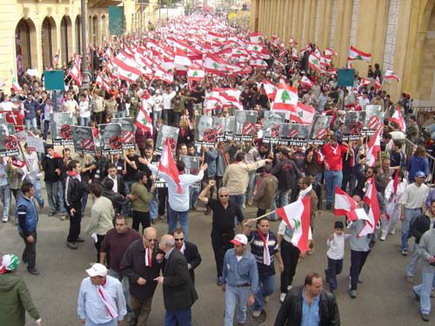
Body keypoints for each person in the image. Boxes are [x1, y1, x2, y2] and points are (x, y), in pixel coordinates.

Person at [140, 156, 207, 240]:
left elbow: (158, 171)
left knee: (172, 224)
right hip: (184, 206)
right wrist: (202, 170)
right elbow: (199, 177)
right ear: (184, 168)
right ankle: (184, 242)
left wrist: (147, 163)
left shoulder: (170, 177)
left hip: (173, 206)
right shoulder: (188, 177)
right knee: (184, 224)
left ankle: (171, 240)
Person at [198, 180, 244, 285]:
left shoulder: (234, 206)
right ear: (218, 196)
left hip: (230, 235)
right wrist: (209, 186)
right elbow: (200, 197)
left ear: (229, 195)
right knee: (219, 256)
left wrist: (244, 233)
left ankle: (230, 274)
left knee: (230, 255)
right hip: (217, 235)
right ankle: (220, 275)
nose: (223, 198)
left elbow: (241, 219)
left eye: (225, 195)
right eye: (221, 196)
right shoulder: (214, 203)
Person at [100, 215, 141, 319]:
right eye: (116, 224)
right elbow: (103, 249)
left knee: (126, 292)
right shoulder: (110, 234)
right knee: (111, 291)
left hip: (128, 270)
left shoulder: (135, 236)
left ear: (127, 225)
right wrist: (101, 265)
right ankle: (112, 310)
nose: (118, 227)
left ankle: (129, 312)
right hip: (114, 268)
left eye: (121, 225)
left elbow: (140, 251)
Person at [121, 227, 163, 326]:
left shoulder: (159, 248)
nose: (153, 242)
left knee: (146, 308)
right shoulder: (134, 248)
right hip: (136, 287)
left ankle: (141, 323)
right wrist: (136, 278)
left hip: (150, 286)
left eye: (155, 239)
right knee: (135, 307)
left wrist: (159, 261)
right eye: (150, 240)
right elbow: (124, 266)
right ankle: (135, 318)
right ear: (143, 237)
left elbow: (165, 265)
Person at [243, 217, 283, 318]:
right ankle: (258, 307)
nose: (265, 228)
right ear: (258, 226)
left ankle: (264, 294)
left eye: (267, 226)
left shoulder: (273, 237)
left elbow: (276, 251)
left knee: (270, 289)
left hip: (269, 269)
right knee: (256, 289)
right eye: (263, 226)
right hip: (256, 268)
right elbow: (244, 236)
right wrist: (248, 225)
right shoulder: (254, 235)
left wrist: (281, 263)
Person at [154, 234, 198, 326]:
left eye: (161, 241)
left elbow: (182, 278)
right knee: (169, 322)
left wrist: (165, 280)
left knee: (184, 323)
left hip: (181, 301)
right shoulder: (169, 255)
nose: (158, 243)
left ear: (165, 245)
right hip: (173, 300)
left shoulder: (177, 258)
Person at [274, 272, 340, 326]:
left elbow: (335, 322)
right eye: (317, 287)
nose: (321, 289)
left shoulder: (329, 299)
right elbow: (281, 317)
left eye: (321, 285)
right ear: (308, 287)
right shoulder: (292, 296)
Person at [221, 234, 258, 326]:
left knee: (242, 308)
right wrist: (223, 282)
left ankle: (241, 321)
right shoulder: (228, 254)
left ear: (244, 246)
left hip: (244, 288)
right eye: (234, 245)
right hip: (231, 287)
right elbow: (225, 269)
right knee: (229, 311)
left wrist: (253, 294)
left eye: (238, 246)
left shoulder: (250, 259)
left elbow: (254, 277)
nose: (235, 248)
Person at [0, 254, 42, 326]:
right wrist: (37, 317)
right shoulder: (18, 281)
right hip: (16, 321)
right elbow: (27, 302)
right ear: (13, 268)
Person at [348, 195, 376, 298]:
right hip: (356, 245)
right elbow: (349, 225)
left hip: (367, 244)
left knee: (361, 263)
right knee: (355, 265)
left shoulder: (369, 212)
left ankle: (354, 275)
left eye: (359, 201)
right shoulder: (351, 213)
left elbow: (376, 225)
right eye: (354, 202)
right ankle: (353, 287)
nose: (357, 203)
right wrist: (356, 214)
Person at [400, 171, 430, 256]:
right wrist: (402, 213)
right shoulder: (409, 188)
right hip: (409, 209)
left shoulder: (425, 188)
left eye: (423, 178)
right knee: (405, 230)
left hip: (418, 210)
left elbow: (424, 200)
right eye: (420, 177)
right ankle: (404, 247)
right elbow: (403, 202)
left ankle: (404, 240)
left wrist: (424, 212)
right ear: (416, 178)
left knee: (413, 230)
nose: (422, 179)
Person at [407, 199, 435, 284]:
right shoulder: (421, 217)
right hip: (419, 243)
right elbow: (413, 229)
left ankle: (431, 283)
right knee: (415, 258)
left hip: (432, 246)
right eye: (434, 207)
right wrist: (421, 237)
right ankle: (410, 273)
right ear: (430, 206)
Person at [87, 183, 115, 262]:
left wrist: (87, 231)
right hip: (110, 228)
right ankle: (110, 266)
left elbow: (94, 223)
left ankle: (99, 265)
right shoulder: (107, 200)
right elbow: (112, 213)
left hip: (101, 232)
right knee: (109, 250)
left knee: (100, 250)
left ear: (92, 194)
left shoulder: (95, 207)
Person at [16, 182, 39, 275]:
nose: (34, 191)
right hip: (27, 230)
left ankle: (25, 257)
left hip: (32, 228)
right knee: (32, 249)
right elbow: (21, 222)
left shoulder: (30, 198)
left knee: (29, 245)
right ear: (26, 192)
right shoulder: (22, 205)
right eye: (32, 190)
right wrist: (27, 235)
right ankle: (31, 267)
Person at [412, 227, 435, 322]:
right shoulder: (427, 235)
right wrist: (428, 257)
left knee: (430, 285)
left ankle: (417, 290)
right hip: (429, 265)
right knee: (427, 288)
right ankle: (425, 310)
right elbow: (420, 249)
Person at [65, 160, 88, 250]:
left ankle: (76, 236)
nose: (80, 168)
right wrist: (70, 207)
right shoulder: (69, 179)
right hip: (72, 204)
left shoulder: (78, 176)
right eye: (78, 167)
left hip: (78, 202)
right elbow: (66, 195)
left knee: (78, 221)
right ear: (73, 168)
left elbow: (84, 186)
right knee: (74, 222)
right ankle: (70, 239)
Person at [322, 135, 348, 209]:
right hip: (328, 170)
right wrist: (325, 163)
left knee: (337, 188)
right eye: (330, 141)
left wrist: (346, 144)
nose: (330, 142)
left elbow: (350, 151)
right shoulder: (326, 147)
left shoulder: (340, 147)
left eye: (332, 141)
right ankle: (329, 202)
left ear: (336, 141)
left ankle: (336, 202)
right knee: (328, 187)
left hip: (338, 171)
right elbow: (323, 156)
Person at [324, 221, 350, 292]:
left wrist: (353, 235)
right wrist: (330, 239)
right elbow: (328, 244)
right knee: (333, 273)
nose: (339, 231)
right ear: (334, 229)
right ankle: (333, 287)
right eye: (337, 229)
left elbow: (347, 236)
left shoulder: (343, 235)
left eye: (341, 230)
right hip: (332, 257)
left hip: (340, 258)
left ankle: (328, 272)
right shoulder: (333, 236)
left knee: (338, 270)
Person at [381, 171, 407, 241]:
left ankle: (393, 227)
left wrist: (402, 201)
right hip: (390, 203)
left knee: (395, 219)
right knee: (387, 218)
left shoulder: (404, 183)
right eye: (397, 177)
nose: (398, 179)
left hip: (398, 204)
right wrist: (388, 197)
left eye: (400, 177)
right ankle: (384, 233)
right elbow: (387, 191)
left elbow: (405, 192)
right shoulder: (391, 183)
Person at [0, 156, 11, 223]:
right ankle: (6, 209)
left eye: (1, 157)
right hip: (0, 185)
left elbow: (11, 170)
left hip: (7, 184)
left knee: (7, 200)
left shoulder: (6, 162)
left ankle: (5, 216)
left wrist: (9, 163)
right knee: (3, 199)